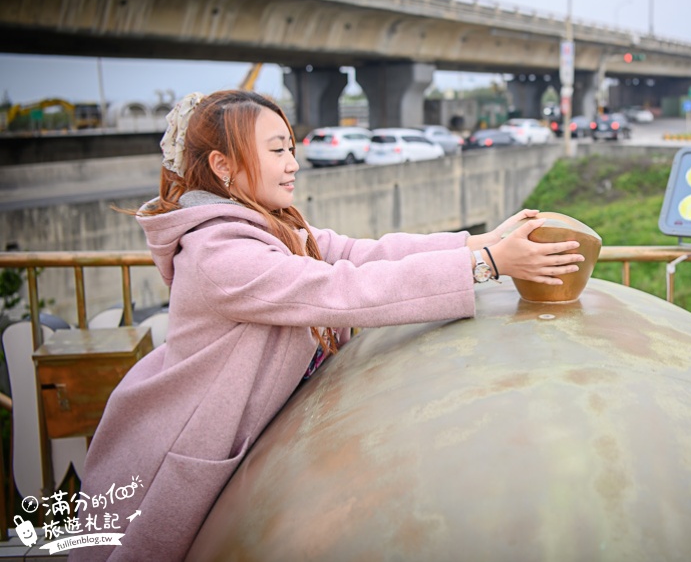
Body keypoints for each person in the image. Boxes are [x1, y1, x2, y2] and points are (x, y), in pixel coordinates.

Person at [71, 90, 583, 561]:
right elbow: (342, 291)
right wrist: (487, 264)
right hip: (180, 446)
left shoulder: (271, 225)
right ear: (223, 167)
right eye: (276, 151)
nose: (294, 164)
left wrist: (477, 242)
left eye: (291, 148)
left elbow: (362, 253)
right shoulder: (219, 253)